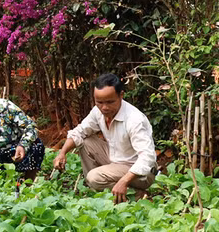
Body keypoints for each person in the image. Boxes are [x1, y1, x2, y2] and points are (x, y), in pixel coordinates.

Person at [53, 73, 156, 203]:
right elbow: (80, 131)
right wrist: (62, 153)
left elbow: (148, 158)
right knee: (85, 141)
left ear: (121, 95)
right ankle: (98, 189)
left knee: (94, 177)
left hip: (140, 173)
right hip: (116, 161)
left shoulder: (134, 119)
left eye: (110, 102)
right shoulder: (98, 111)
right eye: (99, 102)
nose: (104, 107)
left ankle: (135, 195)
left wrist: (124, 181)